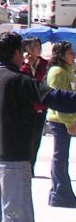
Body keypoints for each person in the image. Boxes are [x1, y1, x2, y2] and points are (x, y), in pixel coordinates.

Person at [0, 31, 76, 222]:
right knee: (17, 216)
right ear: (17, 53)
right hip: (15, 160)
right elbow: (56, 99)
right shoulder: (21, 80)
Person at [45, 41, 76, 207]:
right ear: (61, 55)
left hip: (67, 120)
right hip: (60, 121)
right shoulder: (57, 72)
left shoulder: (67, 71)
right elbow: (58, 100)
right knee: (60, 157)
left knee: (62, 157)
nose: (73, 56)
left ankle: (60, 192)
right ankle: (60, 193)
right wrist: (69, 123)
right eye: (70, 53)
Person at [20, 37, 50, 174]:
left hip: (40, 106)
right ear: (27, 48)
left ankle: (31, 165)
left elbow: (39, 82)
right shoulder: (22, 63)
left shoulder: (45, 64)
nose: (38, 48)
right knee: (25, 136)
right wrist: (27, 65)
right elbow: (23, 79)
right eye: (35, 45)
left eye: (39, 45)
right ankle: (24, 164)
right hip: (26, 106)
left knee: (36, 137)